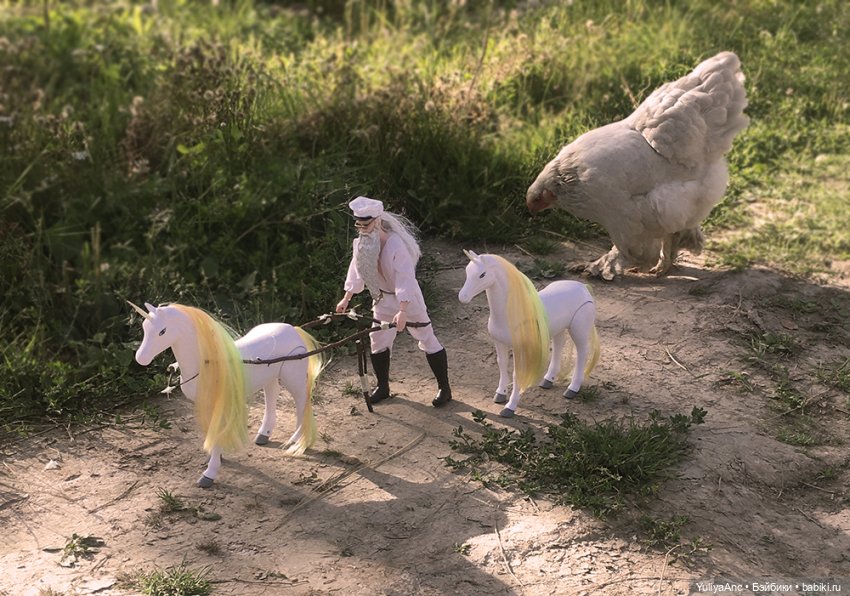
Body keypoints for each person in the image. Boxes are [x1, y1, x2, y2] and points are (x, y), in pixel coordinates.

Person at [335, 196, 452, 407]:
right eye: (358, 225)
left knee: (426, 337)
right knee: (378, 341)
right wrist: (347, 297)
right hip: (381, 299)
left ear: (377, 221)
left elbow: (405, 277)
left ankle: (444, 387)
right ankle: (383, 386)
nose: (362, 229)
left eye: (366, 224)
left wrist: (403, 310)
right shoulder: (361, 244)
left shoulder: (397, 245)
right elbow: (356, 270)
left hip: (408, 301)